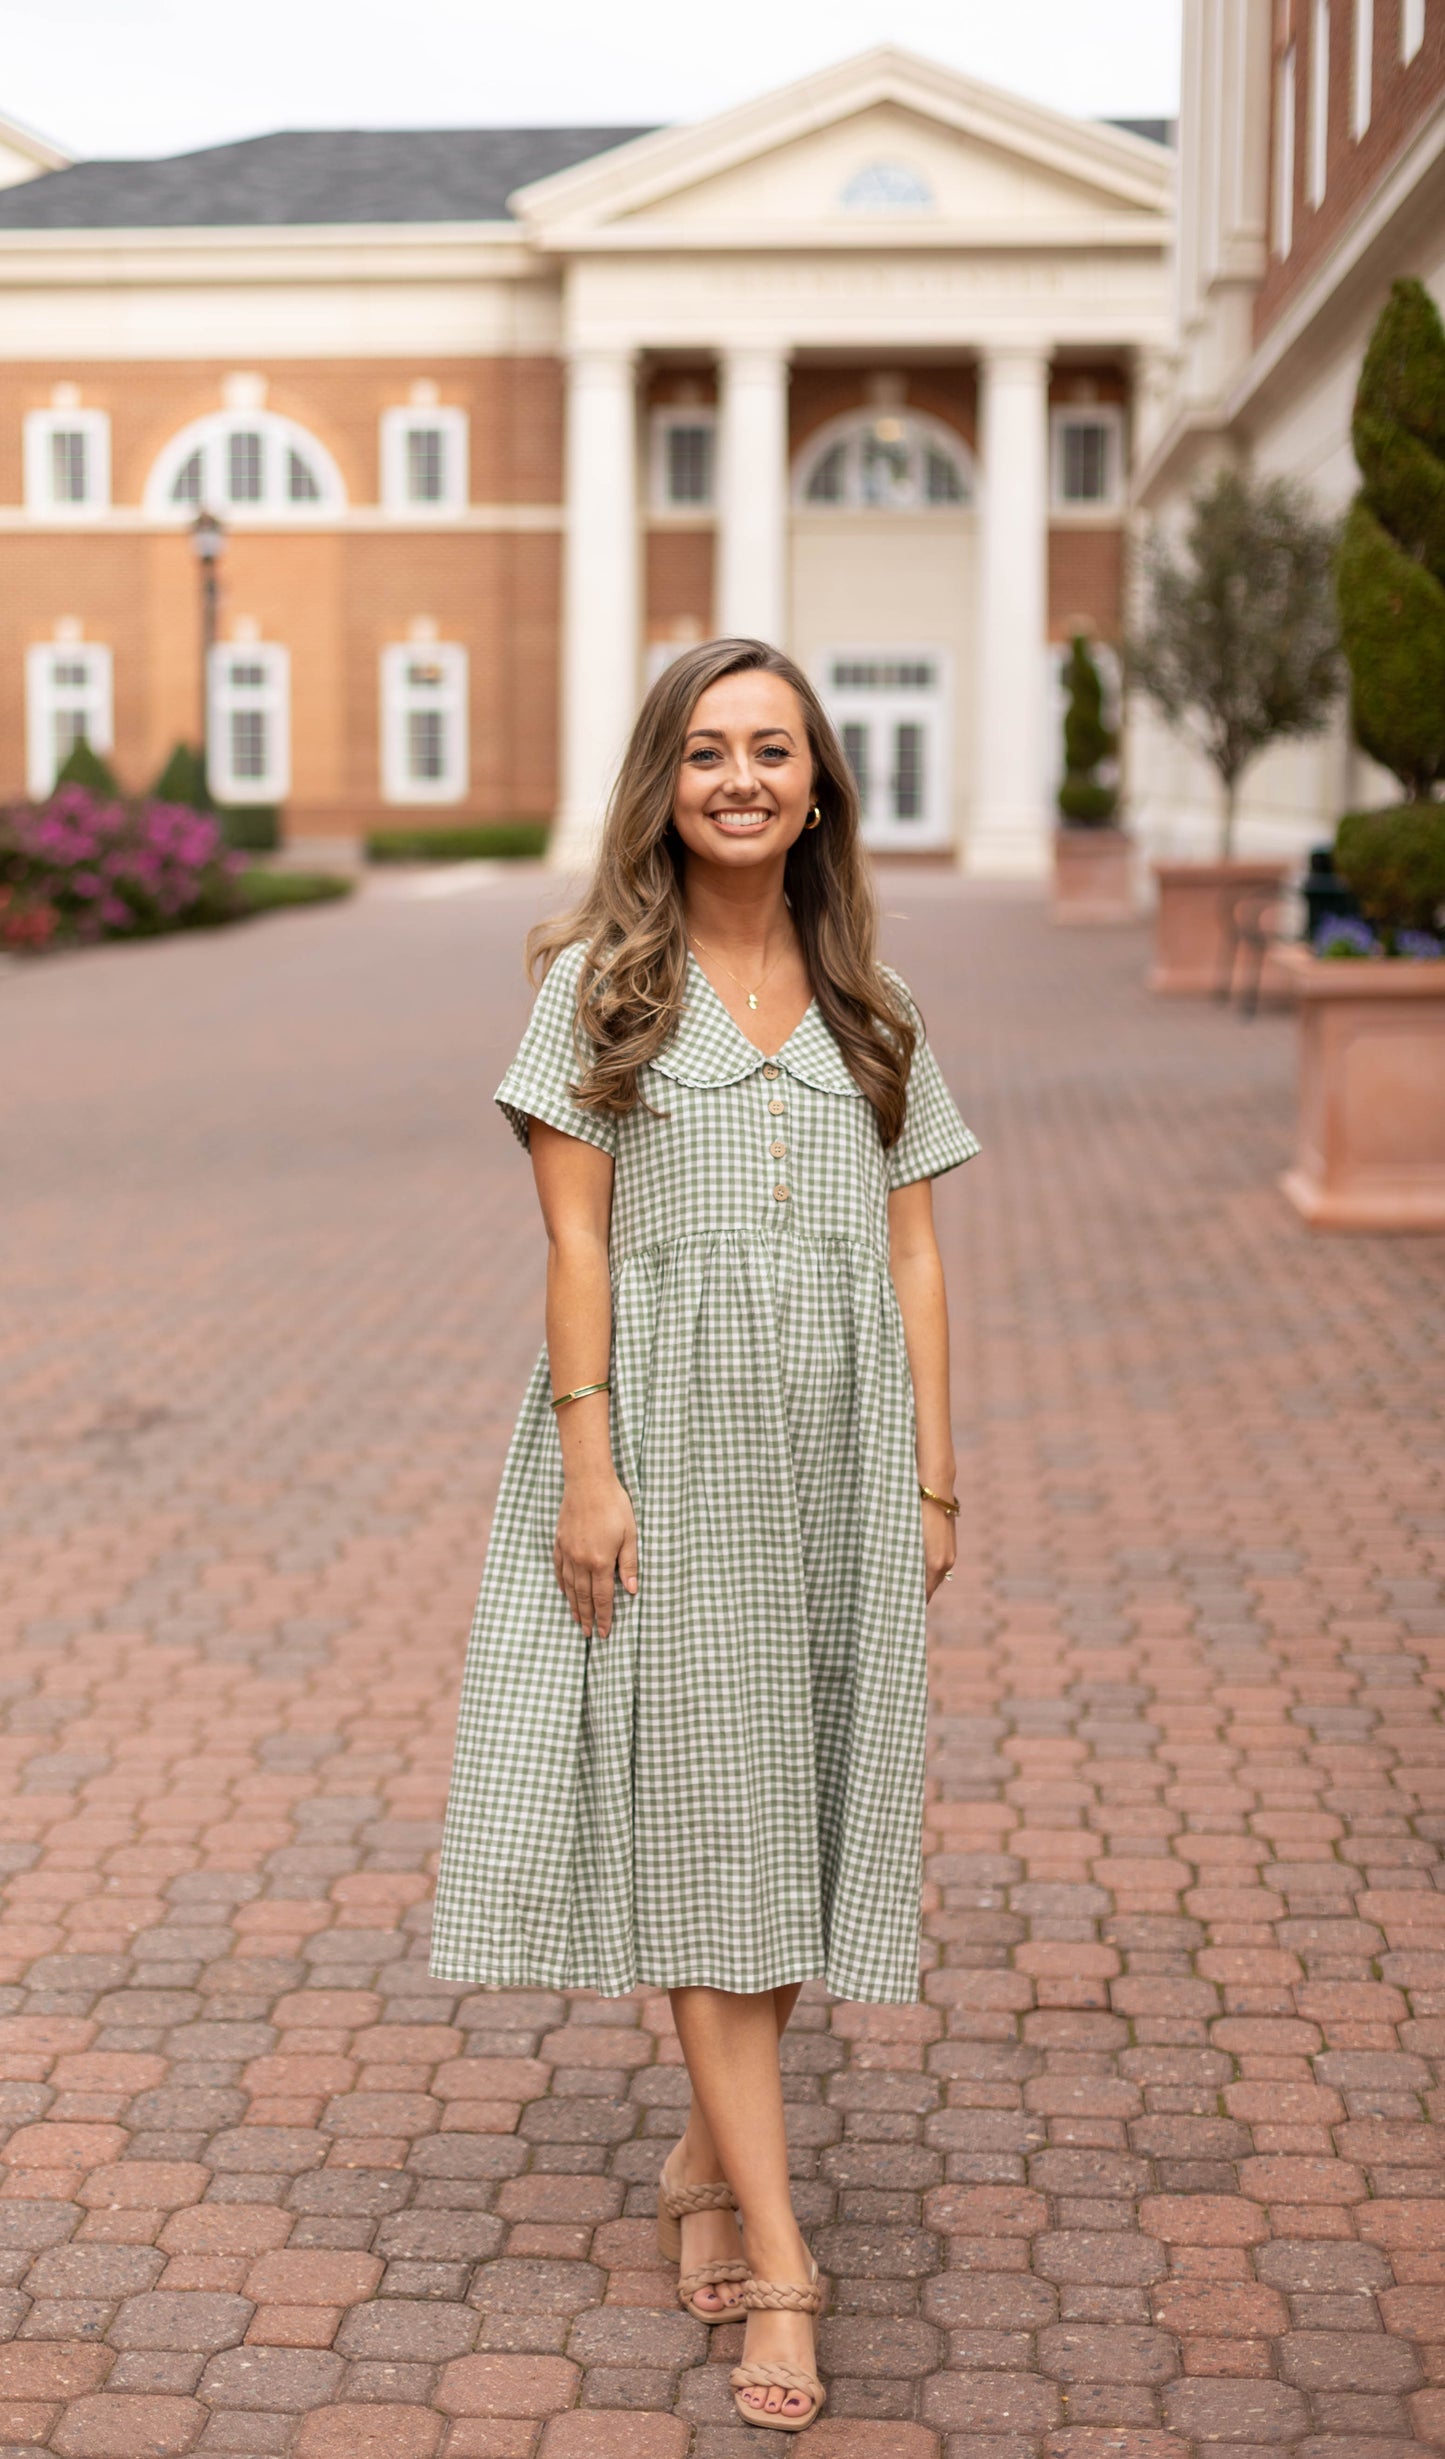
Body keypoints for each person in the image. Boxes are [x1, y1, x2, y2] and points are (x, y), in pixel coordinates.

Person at [431, 636, 978, 2432]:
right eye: (707, 752)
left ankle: (696, 2157)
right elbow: (575, 1246)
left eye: (775, 752)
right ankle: (782, 2260)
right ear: (661, 782)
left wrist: (932, 1478)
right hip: (667, 1453)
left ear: (820, 787)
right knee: (708, 1827)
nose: (741, 779)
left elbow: (913, 1254)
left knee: (797, 1830)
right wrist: (593, 1469)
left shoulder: (873, 1004)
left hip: (834, 1461)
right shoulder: (595, 989)